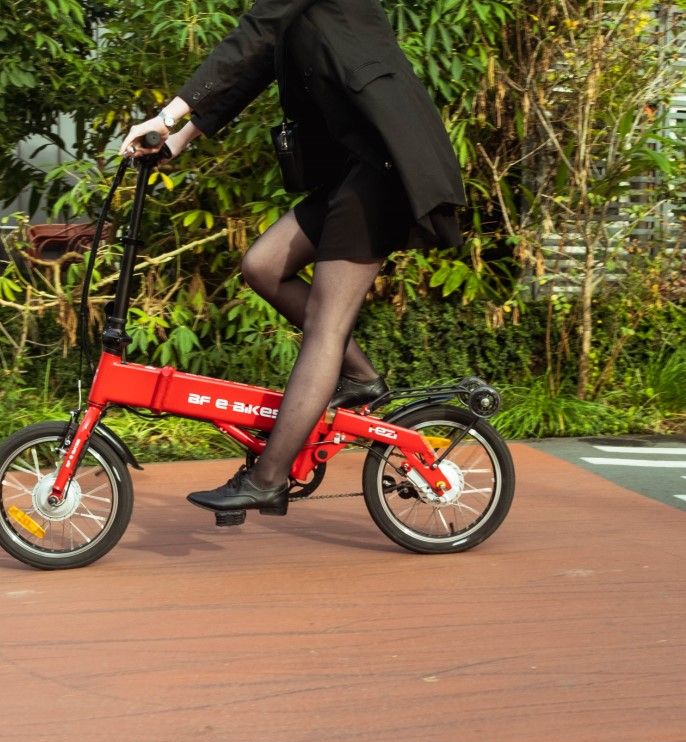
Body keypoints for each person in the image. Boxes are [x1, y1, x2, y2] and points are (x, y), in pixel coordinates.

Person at [119, 0, 465, 518]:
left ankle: (268, 478)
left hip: (384, 165)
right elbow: (253, 64)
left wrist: (167, 114)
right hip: (352, 171)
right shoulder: (289, 16)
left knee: (327, 323)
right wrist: (177, 141)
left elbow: (252, 33)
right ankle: (361, 380)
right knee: (262, 266)